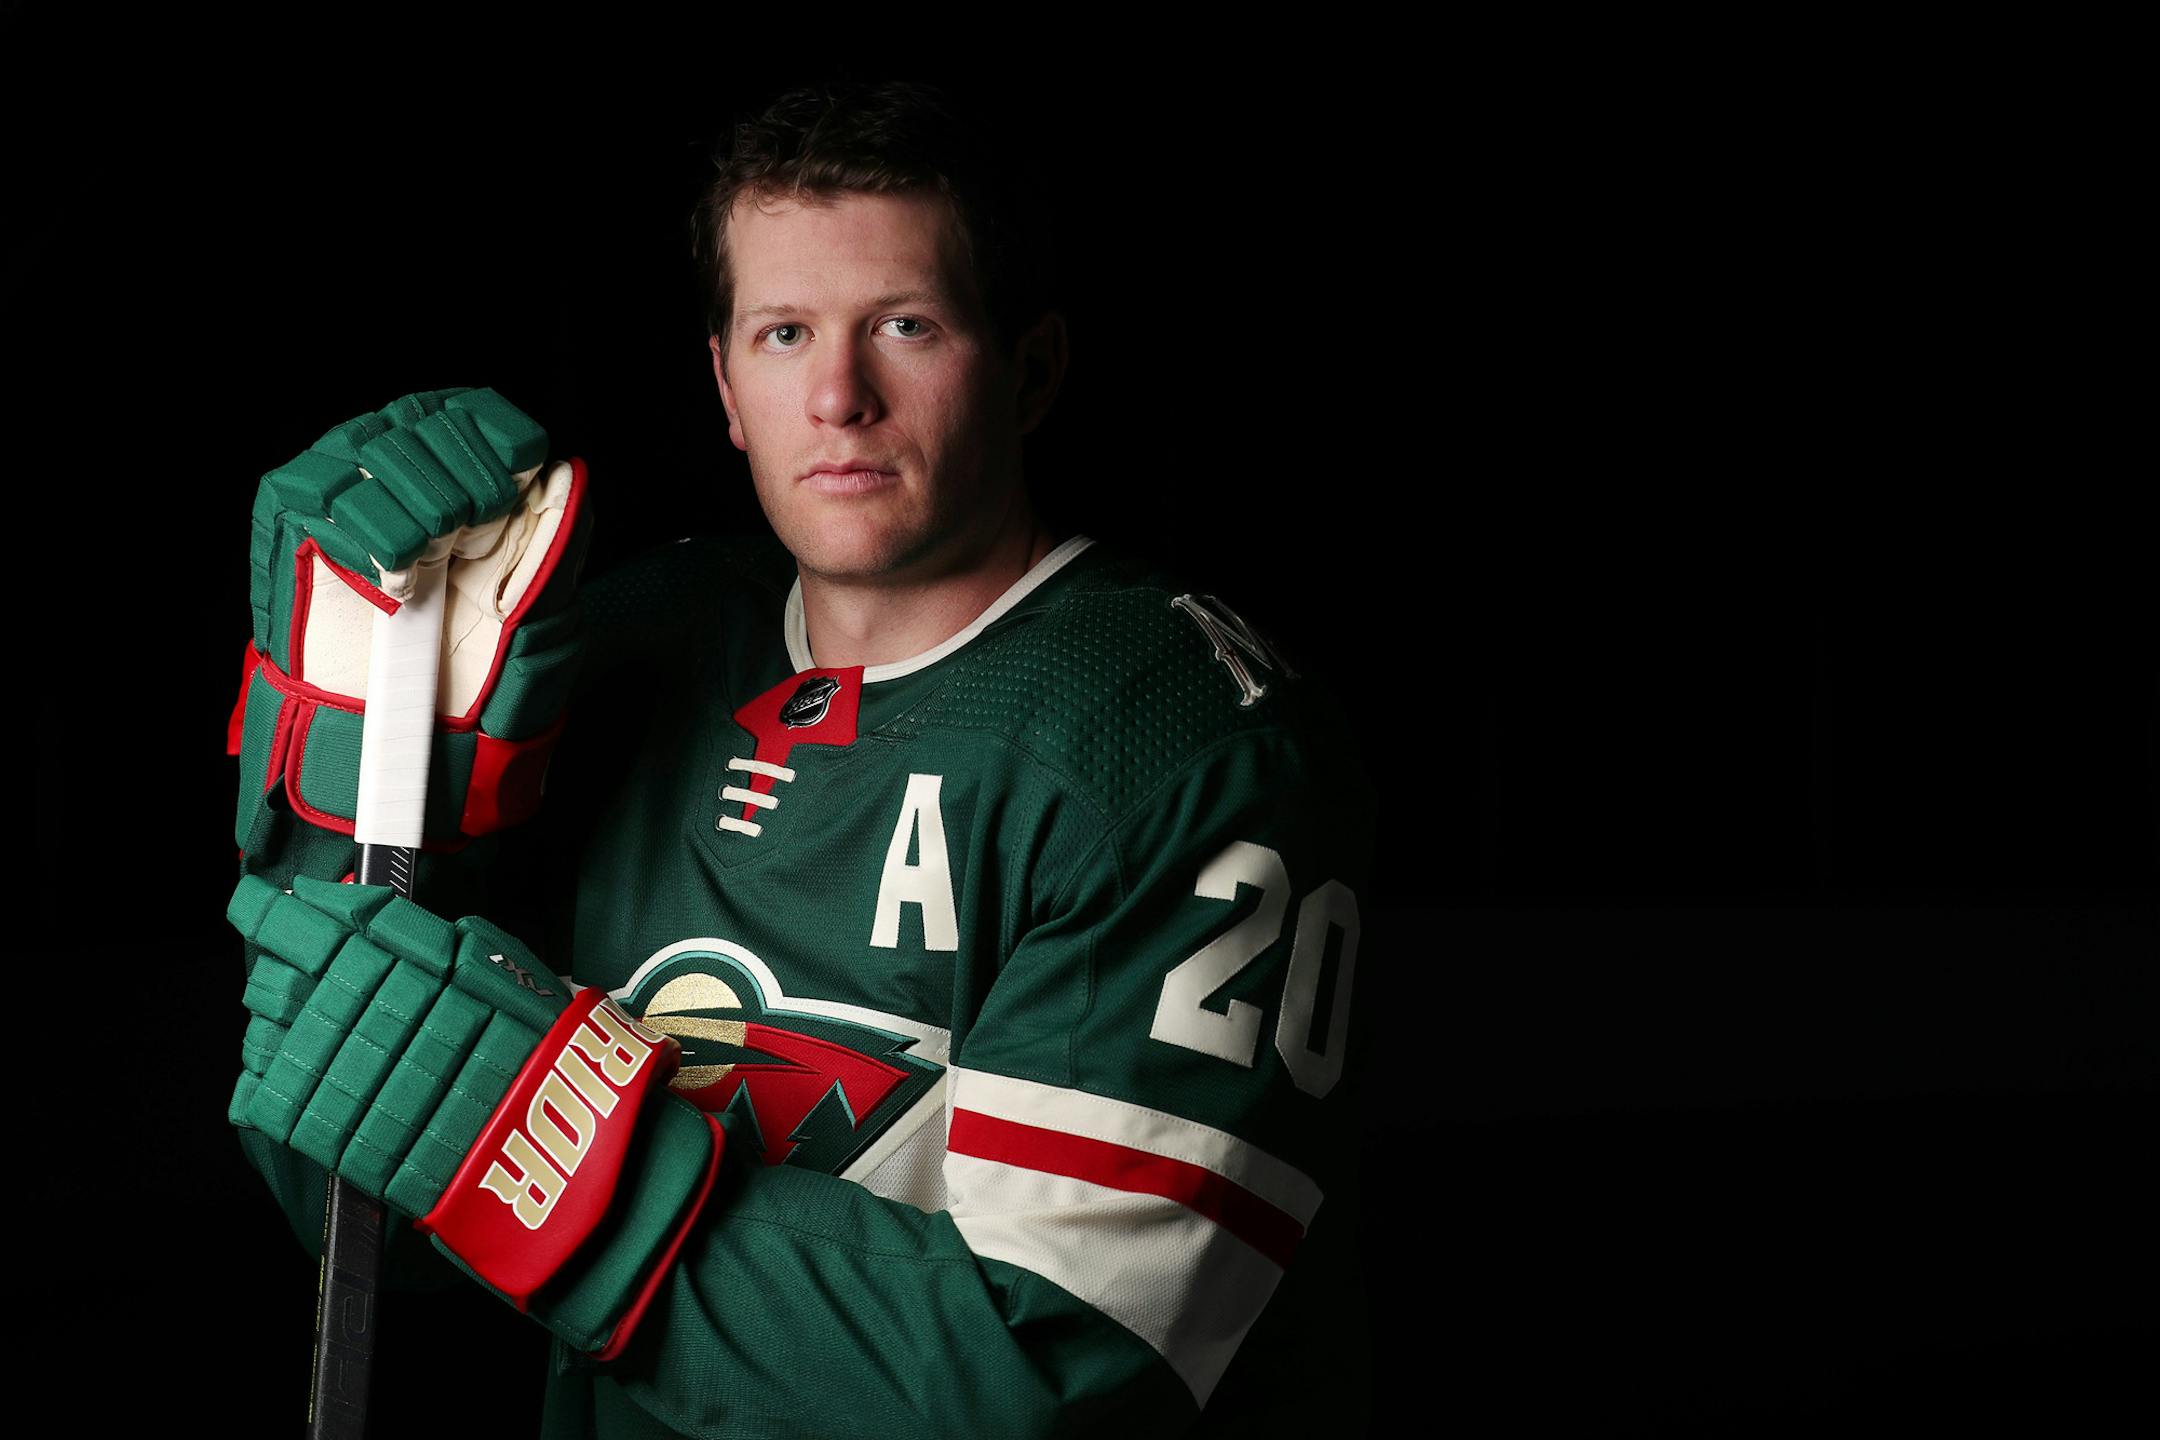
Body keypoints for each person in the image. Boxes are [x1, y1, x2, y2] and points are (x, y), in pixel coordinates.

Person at [227, 81, 1376, 1437]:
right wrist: (350, 820)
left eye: (906, 324)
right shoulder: (631, 647)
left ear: (1033, 366)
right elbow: (373, 1237)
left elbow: (1058, 1378)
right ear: (724, 382)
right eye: (785, 333)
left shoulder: (1183, 748)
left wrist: (564, 1181)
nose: (839, 396)